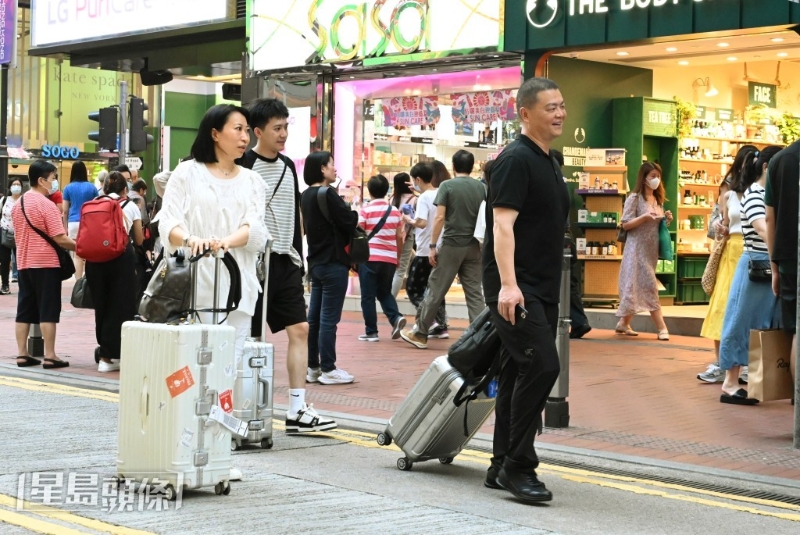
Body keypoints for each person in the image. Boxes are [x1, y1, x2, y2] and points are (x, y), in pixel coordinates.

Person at [481, 77, 569, 504]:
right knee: (542, 365)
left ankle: (500, 464)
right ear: (525, 114)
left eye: (561, 105)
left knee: (517, 371)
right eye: (550, 107)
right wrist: (510, 286)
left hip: (542, 285)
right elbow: (502, 225)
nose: (559, 113)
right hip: (516, 286)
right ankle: (520, 465)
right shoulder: (515, 159)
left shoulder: (550, 160)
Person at [239, 97, 337, 433]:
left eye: (285, 127)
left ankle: (296, 409)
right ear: (257, 131)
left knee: (300, 329)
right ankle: (244, 408)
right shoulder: (242, 164)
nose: (283, 135)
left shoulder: (287, 167)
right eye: (276, 128)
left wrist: (299, 257)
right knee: (249, 337)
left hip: (285, 263)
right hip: (250, 263)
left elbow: (294, 215)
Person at [400, 150, 486, 349]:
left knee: (436, 289)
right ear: (472, 166)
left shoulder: (447, 186)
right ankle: (480, 339)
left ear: (454, 167)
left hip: (451, 245)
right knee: (474, 294)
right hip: (474, 246)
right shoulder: (481, 188)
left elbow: (439, 218)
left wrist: (432, 246)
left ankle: (420, 333)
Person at [717, 147, 783, 404]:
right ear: (768, 167)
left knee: (764, 324)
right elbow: (765, 231)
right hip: (756, 266)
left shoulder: (767, 194)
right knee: (743, 321)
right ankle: (730, 383)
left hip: (764, 266)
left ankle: (752, 380)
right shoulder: (755, 195)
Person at [697, 145, 758, 383]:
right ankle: (724, 363)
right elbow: (719, 222)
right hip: (730, 252)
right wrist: (719, 228)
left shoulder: (761, 191)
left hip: (753, 251)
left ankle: (744, 365)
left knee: (747, 307)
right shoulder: (728, 192)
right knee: (721, 305)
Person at [300, 151, 358, 385]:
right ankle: (328, 369)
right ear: (322, 169)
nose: (335, 169)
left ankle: (313, 367)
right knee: (328, 319)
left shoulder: (305, 195)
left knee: (314, 317)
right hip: (334, 262)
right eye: (332, 165)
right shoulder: (329, 194)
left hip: (315, 262)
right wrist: (350, 204)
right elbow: (349, 221)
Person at [12, 160, 76, 369]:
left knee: (24, 309)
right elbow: (60, 238)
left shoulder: (17, 204)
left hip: (23, 263)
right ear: (41, 180)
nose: (55, 182)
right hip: (46, 263)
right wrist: (82, 248)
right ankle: (50, 355)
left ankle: (22, 354)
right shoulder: (46, 205)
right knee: (48, 309)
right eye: (53, 178)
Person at [85, 172, 144, 373]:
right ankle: (111, 356)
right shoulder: (131, 206)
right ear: (125, 189)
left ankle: (104, 353)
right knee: (120, 305)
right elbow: (139, 239)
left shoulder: (93, 203)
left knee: (101, 305)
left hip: (93, 260)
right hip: (119, 258)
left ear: (104, 188)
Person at [615, 162, 673, 339]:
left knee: (635, 286)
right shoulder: (635, 198)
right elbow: (625, 223)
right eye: (652, 176)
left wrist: (666, 219)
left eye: (658, 176)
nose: (656, 180)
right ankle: (662, 328)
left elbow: (657, 224)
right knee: (648, 285)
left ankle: (623, 323)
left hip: (650, 250)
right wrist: (644, 218)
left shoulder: (657, 200)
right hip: (635, 249)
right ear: (644, 178)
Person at [765, 138, 800, 392]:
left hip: (789, 261)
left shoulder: (779, 161)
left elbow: (769, 217)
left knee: (797, 335)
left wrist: (774, 268)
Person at [357, 174, 407, 342]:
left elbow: (358, 231)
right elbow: (399, 237)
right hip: (390, 259)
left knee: (368, 296)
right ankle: (395, 318)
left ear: (370, 191)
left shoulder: (366, 210)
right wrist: (398, 257)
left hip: (369, 258)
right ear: (387, 190)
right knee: (384, 292)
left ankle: (371, 331)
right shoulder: (394, 211)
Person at [403, 162, 449, 338]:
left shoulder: (423, 198)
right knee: (436, 289)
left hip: (424, 250)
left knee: (414, 287)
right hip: (441, 248)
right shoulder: (442, 192)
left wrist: (409, 220)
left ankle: (429, 320)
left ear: (418, 179)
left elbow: (421, 222)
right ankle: (441, 325)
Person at [552, 150, 591, 339]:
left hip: (555, 239)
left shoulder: (551, 182)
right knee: (570, 284)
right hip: (567, 239)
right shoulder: (563, 184)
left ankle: (575, 321)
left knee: (561, 283)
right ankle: (579, 321)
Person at [62, 162, 98, 280]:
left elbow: (65, 210)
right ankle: (88, 280)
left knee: (77, 254)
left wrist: (65, 227)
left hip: (73, 222)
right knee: (89, 253)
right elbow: (97, 206)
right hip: (89, 223)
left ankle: (78, 283)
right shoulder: (92, 187)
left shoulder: (68, 188)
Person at [390, 172, 417, 297]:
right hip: (407, 236)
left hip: (392, 236)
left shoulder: (392, 199)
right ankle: (391, 299)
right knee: (400, 270)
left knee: (411, 259)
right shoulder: (414, 199)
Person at [0, 178, 23, 294]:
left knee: (21, 261)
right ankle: (4, 285)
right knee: (4, 261)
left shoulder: (24, 200)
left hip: (20, 235)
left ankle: (24, 286)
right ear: (10, 187)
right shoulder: (4, 200)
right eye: (14, 184)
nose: (16, 186)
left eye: (18, 184)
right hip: (5, 233)